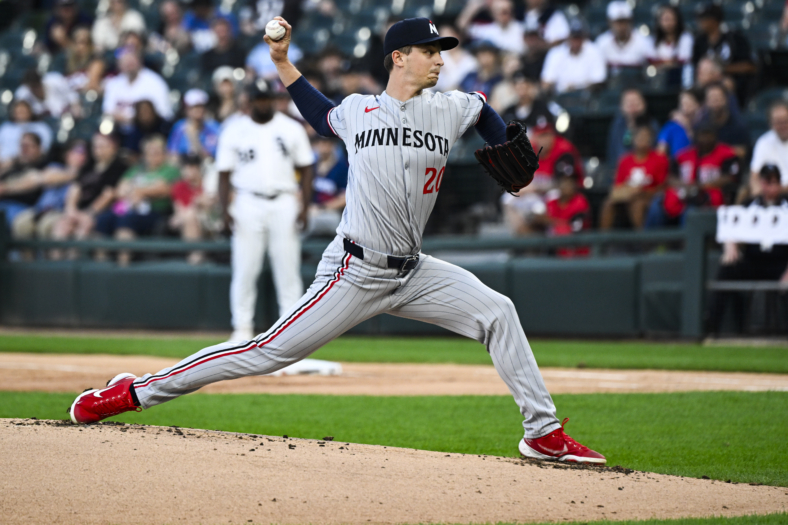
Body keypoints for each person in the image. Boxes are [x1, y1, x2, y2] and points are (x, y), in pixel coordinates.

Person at [69, 16, 607, 466]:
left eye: (442, 51)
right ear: (399, 57)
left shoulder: (451, 107)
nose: (440, 60)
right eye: (429, 51)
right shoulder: (356, 111)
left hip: (413, 271)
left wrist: (503, 138)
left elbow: (486, 111)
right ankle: (133, 392)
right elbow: (315, 108)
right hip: (354, 269)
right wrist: (282, 62)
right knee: (266, 351)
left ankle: (541, 433)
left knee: (498, 311)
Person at [216, 79, 315, 341]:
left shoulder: (291, 128)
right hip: (247, 202)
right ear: (249, 101)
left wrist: (304, 206)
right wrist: (224, 210)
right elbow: (223, 175)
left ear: (273, 100)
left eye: (266, 98)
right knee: (245, 269)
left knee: (288, 269)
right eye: (258, 99)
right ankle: (242, 330)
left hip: (284, 201)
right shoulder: (234, 130)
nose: (262, 103)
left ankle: (290, 332)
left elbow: (306, 169)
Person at [708, 165, 788, 334]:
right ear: (761, 183)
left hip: (781, 264)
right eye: (767, 182)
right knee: (727, 269)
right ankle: (711, 330)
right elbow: (731, 226)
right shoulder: (749, 204)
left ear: (780, 184)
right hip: (754, 261)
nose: (770, 187)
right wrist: (730, 247)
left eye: (774, 182)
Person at [94, 135, 180, 265]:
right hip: (128, 207)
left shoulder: (170, 170)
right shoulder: (136, 169)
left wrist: (137, 190)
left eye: (157, 152)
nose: (153, 155)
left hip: (155, 212)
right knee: (104, 219)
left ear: (164, 153)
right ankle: (100, 265)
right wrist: (141, 191)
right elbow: (120, 190)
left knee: (126, 220)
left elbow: (163, 189)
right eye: (149, 152)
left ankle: (123, 265)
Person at [645, 121, 740, 228]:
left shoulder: (727, 154)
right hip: (683, 193)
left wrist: (700, 186)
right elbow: (670, 177)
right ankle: (651, 242)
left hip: (710, 198)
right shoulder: (683, 155)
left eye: (708, 134)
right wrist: (685, 185)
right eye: (702, 134)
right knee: (656, 206)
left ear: (715, 135)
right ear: (695, 136)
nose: (705, 138)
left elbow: (730, 177)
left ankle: (685, 243)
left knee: (690, 212)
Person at [51, 132, 129, 259]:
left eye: (102, 146)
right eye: (96, 146)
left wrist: (89, 213)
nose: (98, 150)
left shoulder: (119, 167)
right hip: (80, 210)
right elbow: (75, 188)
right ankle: (56, 267)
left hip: (100, 212)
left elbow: (109, 194)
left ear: (113, 147)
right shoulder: (88, 165)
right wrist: (71, 210)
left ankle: (73, 268)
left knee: (83, 227)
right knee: (62, 225)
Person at [502, 120, 584, 235]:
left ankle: (545, 239)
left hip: (562, 196)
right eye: (541, 135)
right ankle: (523, 240)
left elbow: (566, 186)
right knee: (508, 199)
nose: (544, 140)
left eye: (547, 135)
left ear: (552, 135)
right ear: (535, 137)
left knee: (544, 202)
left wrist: (535, 188)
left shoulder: (564, 150)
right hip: (537, 194)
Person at [11, 139, 89, 243]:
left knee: (45, 227)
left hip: (58, 212)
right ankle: (26, 259)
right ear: (67, 154)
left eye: (83, 153)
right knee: (20, 224)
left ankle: (44, 259)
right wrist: (71, 174)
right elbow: (46, 178)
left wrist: (76, 175)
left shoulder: (87, 174)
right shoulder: (55, 167)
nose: (80, 156)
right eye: (77, 151)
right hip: (39, 209)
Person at [601, 125, 669, 229]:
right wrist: (629, 191)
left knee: (637, 205)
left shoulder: (660, 159)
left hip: (648, 197)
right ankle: (603, 241)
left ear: (651, 140)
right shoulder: (624, 160)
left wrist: (642, 192)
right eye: (639, 136)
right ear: (633, 139)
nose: (642, 139)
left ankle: (642, 242)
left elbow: (662, 186)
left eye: (646, 137)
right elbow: (618, 185)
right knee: (608, 204)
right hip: (627, 196)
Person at [692, 3, 755, 105]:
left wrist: (719, 71)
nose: (700, 22)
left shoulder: (735, 38)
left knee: (727, 83)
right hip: (704, 84)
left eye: (704, 19)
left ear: (715, 20)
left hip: (733, 85)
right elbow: (695, 66)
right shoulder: (699, 42)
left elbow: (750, 66)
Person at [102, 48, 174, 128]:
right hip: (119, 132)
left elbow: (164, 113)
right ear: (119, 65)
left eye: (131, 61)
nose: (129, 65)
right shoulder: (114, 83)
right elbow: (107, 111)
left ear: (139, 61)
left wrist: (133, 119)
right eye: (125, 62)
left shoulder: (155, 82)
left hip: (146, 130)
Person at [170, 155, 217, 264]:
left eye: (192, 167)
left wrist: (199, 204)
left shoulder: (208, 183)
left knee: (191, 214)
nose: (188, 171)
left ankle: (196, 255)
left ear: (199, 168)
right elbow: (179, 211)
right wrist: (195, 203)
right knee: (189, 216)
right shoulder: (179, 186)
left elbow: (211, 203)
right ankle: (195, 255)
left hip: (211, 220)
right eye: (185, 167)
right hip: (189, 221)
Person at [0, 133, 50, 233]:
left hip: (23, 207)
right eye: (22, 146)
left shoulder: (43, 164)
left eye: (28, 146)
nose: (25, 150)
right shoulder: (13, 165)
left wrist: (7, 188)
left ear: (39, 148)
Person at [540, 20, 607, 94]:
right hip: (560, 96)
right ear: (568, 38)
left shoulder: (594, 51)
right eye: (573, 38)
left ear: (584, 38)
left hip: (586, 97)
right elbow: (546, 82)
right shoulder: (556, 53)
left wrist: (575, 88)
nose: (576, 42)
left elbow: (599, 81)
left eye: (579, 38)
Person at [542, 172, 591, 257]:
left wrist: (551, 222)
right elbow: (540, 220)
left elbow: (574, 228)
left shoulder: (580, 201)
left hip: (576, 253)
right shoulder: (551, 202)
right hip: (553, 250)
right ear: (558, 185)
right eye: (564, 182)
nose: (567, 185)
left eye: (570, 182)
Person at [308, 135, 348, 236]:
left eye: (326, 143)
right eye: (320, 143)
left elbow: (346, 198)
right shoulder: (311, 166)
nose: (323, 146)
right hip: (310, 210)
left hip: (331, 213)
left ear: (333, 145)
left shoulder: (342, 167)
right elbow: (299, 191)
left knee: (305, 222)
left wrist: (321, 208)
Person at [606, 88, 659, 165]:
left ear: (644, 104)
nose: (633, 108)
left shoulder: (653, 125)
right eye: (629, 104)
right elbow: (613, 154)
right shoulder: (617, 125)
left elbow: (656, 154)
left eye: (636, 103)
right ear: (621, 106)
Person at [595, 1, 653, 70]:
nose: (622, 26)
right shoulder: (601, 43)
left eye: (624, 21)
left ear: (631, 21)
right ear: (609, 22)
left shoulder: (644, 42)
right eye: (618, 22)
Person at [167, 89, 221, 163]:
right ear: (187, 109)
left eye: (201, 106)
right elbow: (172, 155)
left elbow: (213, 159)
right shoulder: (179, 127)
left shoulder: (214, 127)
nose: (199, 110)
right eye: (195, 107)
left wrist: (194, 138)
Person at [701, 82, 749, 159]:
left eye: (718, 98)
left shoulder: (739, 125)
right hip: (707, 167)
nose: (715, 102)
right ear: (706, 102)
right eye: (711, 99)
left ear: (726, 100)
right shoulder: (701, 125)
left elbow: (742, 152)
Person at [0, 101, 53, 170]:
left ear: (30, 111)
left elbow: (43, 150)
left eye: (23, 111)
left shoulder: (41, 127)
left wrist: (17, 159)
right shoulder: (6, 127)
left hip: (29, 163)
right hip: (4, 162)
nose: (20, 114)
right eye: (18, 111)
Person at [458, 0, 525, 54]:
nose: (503, 16)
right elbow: (462, 26)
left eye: (505, 12)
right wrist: (475, 6)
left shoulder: (521, 28)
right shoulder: (489, 30)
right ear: (493, 14)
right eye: (498, 12)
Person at [648, 4, 693, 86]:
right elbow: (651, 63)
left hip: (680, 78)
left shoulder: (685, 38)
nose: (668, 23)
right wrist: (669, 63)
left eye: (671, 19)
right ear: (659, 21)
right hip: (659, 80)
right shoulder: (654, 40)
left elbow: (682, 62)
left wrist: (662, 64)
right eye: (665, 19)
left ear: (677, 20)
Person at [750, 102, 788, 195]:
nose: (782, 126)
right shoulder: (764, 142)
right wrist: (758, 194)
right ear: (771, 124)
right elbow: (754, 175)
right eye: (778, 122)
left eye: (785, 121)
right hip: (770, 196)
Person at [14, 69, 79, 119]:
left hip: (65, 115)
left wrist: (75, 106)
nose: (34, 89)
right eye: (31, 87)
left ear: (40, 82)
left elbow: (71, 94)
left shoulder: (54, 80)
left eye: (36, 86)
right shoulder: (23, 93)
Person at [656, 89, 702, 159]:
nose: (685, 106)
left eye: (689, 102)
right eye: (683, 102)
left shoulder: (702, 124)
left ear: (697, 104)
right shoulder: (670, 126)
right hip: (677, 165)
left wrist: (686, 126)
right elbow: (661, 151)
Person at [433, 24, 477, 93]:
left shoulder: (470, 61)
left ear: (457, 36)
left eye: (448, 35)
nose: (446, 40)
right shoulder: (436, 57)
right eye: (442, 36)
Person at [61, 26, 106, 93]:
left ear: (90, 45)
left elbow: (92, 86)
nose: (79, 47)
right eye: (76, 43)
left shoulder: (96, 63)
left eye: (83, 43)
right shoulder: (66, 63)